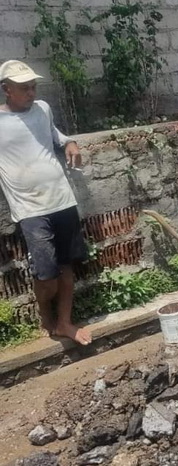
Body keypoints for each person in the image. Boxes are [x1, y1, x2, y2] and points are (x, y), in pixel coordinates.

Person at [0, 60, 92, 345]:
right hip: (30, 210)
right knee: (46, 274)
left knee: (66, 268)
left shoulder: (42, 109)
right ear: (6, 90)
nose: (31, 92)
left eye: (33, 86)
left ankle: (64, 322)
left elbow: (56, 135)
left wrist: (70, 143)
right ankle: (45, 315)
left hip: (62, 201)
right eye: (24, 88)